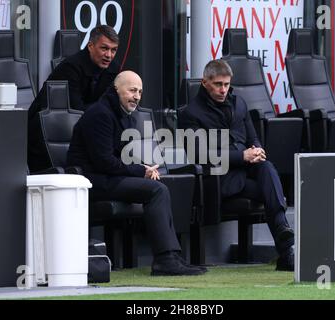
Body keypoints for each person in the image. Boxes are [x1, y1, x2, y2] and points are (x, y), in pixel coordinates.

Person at [67, 70, 206, 276]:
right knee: (156, 190)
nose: (137, 96)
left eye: (140, 92)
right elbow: (104, 162)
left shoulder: (123, 115)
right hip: (93, 180)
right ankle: (164, 260)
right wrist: (141, 170)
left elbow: (122, 156)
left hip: (110, 177)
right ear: (116, 89)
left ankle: (172, 256)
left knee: (163, 185)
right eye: (132, 90)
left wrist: (146, 168)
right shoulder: (100, 114)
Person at [178, 60, 295, 271]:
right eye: (218, 84)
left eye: (226, 84)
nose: (223, 89)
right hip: (219, 179)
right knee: (268, 190)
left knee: (267, 167)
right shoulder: (190, 114)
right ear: (205, 82)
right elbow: (200, 154)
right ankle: (286, 248)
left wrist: (257, 151)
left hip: (247, 171)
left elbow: (253, 137)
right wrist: (243, 156)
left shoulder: (239, 103)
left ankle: (284, 239)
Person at [28, 25, 120, 173]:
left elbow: (110, 106)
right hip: (44, 136)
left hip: (80, 132)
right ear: (90, 46)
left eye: (113, 50)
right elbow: (77, 111)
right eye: (104, 48)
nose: (109, 55)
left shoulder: (112, 68)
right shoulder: (70, 68)